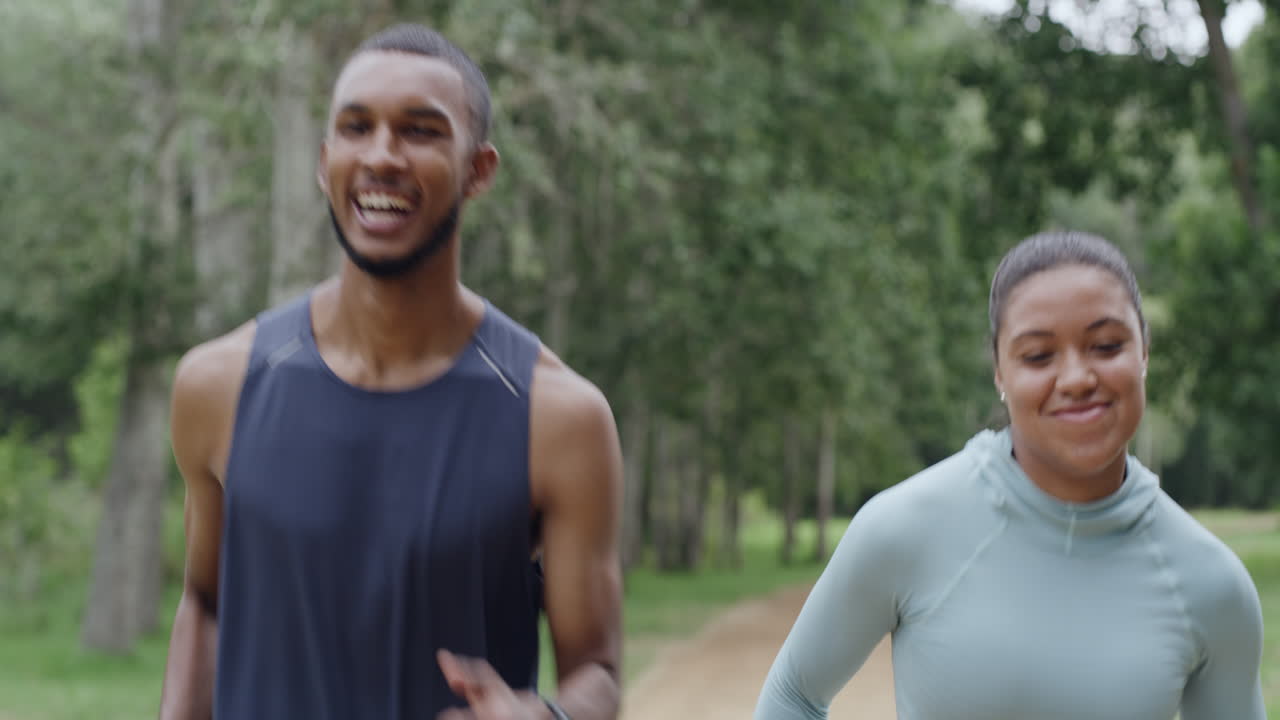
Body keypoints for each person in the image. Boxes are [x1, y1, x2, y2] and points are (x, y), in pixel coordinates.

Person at [157, 23, 623, 720]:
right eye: (356, 127)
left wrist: (545, 715)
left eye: (420, 131)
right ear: (324, 162)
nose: (382, 156)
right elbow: (205, 603)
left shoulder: (557, 417)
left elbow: (599, 672)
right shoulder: (218, 387)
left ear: (479, 170)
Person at [753, 231, 1265, 719]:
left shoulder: (1211, 587)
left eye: (1106, 346)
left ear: (1144, 352)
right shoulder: (906, 529)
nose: (1077, 379)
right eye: (1039, 355)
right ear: (1000, 372)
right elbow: (793, 696)